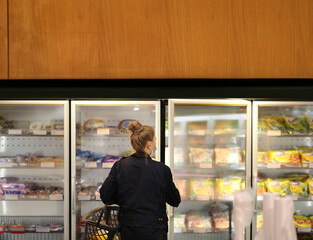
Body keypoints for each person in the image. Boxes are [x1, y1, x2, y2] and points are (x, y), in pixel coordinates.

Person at [100, 121, 181, 240]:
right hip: (155, 230)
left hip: (129, 228)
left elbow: (105, 196)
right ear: (149, 144)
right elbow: (175, 200)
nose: (155, 143)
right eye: (155, 140)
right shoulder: (162, 169)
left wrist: (123, 198)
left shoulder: (119, 166)